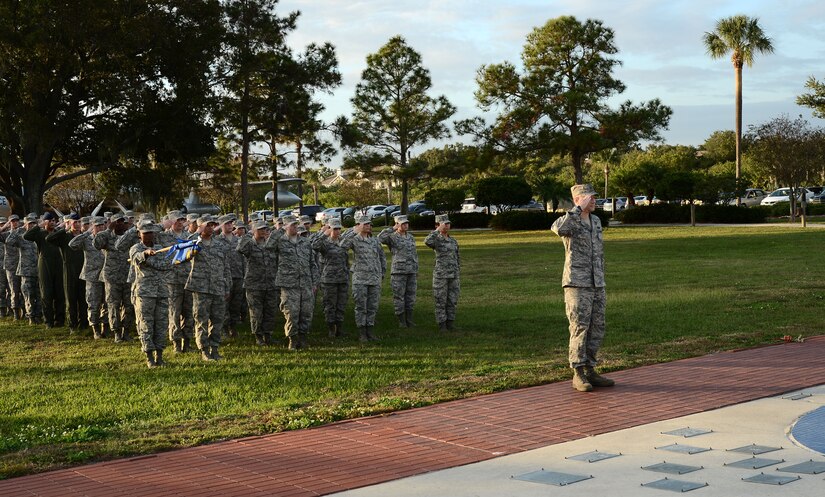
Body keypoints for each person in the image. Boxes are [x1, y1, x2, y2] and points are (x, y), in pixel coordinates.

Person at [550, 183, 614, 392]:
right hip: (577, 283)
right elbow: (558, 229)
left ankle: (591, 369)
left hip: (597, 282)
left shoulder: (595, 221)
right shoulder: (571, 220)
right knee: (579, 327)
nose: (594, 200)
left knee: (597, 326)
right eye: (590, 197)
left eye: (594, 197)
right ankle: (577, 372)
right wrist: (577, 210)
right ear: (578, 199)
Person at [265, 215, 318, 350]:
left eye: (296, 224)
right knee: (291, 313)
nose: (296, 227)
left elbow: (312, 263)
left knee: (306, 313)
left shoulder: (305, 242)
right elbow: (268, 247)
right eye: (292, 225)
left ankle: (303, 338)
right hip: (289, 284)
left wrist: (315, 282)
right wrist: (279, 230)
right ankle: (292, 339)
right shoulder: (280, 241)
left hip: (305, 282)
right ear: (286, 227)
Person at [185, 215, 232, 361]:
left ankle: (215, 348)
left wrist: (227, 286)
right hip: (201, 288)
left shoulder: (219, 245)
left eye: (212, 225)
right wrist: (198, 232)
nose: (211, 228)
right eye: (208, 225)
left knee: (217, 320)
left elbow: (226, 267)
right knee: (201, 320)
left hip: (218, 287)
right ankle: (204, 350)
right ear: (200, 227)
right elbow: (184, 251)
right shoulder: (194, 243)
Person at [129, 221, 173, 368]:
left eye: (151, 232)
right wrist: (146, 254)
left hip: (161, 291)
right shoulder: (136, 248)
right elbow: (136, 258)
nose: (149, 235)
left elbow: (166, 265)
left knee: (161, 324)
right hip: (144, 293)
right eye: (145, 233)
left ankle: (159, 355)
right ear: (139, 234)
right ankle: (149, 357)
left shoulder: (160, 248)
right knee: (145, 324)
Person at [339, 214, 386, 342]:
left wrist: (382, 272)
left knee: (372, 306)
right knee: (361, 306)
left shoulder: (374, 240)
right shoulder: (354, 240)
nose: (368, 226)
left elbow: (381, 257)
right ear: (358, 226)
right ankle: (362, 333)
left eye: (369, 224)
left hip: (374, 278)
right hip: (360, 278)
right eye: (365, 224)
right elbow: (342, 246)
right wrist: (352, 232)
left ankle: (370, 330)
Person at [94, 213, 134, 342]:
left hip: (128, 276)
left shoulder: (129, 237)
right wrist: (108, 229)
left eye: (122, 222)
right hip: (112, 277)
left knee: (129, 305)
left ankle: (126, 331)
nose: (120, 224)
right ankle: (116, 332)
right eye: (117, 222)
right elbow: (96, 244)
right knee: (113, 306)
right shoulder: (107, 237)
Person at [158, 211, 194, 353]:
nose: (180, 222)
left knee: (188, 313)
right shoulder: (164, 237)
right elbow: (147, 233)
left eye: (182, 220)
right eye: (177, 220)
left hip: (188, 279)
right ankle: (176, 343)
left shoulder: (188, 237)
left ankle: (187, 341)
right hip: (172, 280)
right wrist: (163, 225)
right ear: (172, 221)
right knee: (174, 313)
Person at [237, 220, 278, 345]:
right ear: (254, 231)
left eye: (265, 229)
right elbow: (240, 248)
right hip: (254, 284)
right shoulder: (249, 244)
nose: (264, 231)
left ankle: (268, 334)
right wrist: (249, 234)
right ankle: (258, 335)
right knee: (256, 312)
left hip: (270, 283)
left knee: (270, 311)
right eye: (260, 229)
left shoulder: (270, 244)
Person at [46, 214, 88, 333]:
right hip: (69, 271)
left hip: (84, 270)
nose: (77, 224)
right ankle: (72, 325)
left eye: (79, 222)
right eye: (74, 222)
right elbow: (49, 239)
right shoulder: (65, 236)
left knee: (83, 298)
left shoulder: (84, 236)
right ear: (69, 223)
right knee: (71, 299)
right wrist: (65, 228)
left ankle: (84, 323)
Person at [24, 212, 65, 328]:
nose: (52, 223)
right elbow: (26, 236)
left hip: (58, 264)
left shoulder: (58, 233)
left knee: (59, 294)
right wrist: (40, 225)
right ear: (45, 221)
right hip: (45, 264)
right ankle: (48, 321)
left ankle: (60, 320)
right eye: (50, 220)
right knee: (46, 294)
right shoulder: (40, 233)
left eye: (53, 221)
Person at [378, 214, 419, 328]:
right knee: (399, 296)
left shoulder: (410, 237)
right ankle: (401, 320)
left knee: (410, 296)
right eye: (403, 223)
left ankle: (409, 319)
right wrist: (392, 229)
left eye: (406, 223)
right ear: (397, 224)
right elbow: (380, 239)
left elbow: (414, 254)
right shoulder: (392, 237)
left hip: (411, 270)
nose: (406, 225)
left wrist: (416, 269)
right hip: (398, 271)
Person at [69, 216, 107, 338]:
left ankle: (105, 327)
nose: (100, 228)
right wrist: (86, 233)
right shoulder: (86, 239)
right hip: (92, 276)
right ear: (92, 227)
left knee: (106, 303)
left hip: (106, 275)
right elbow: (72, 244)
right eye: (97, 226)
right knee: (93, 303)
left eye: (102, 225)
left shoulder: (106, 238)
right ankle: (95, 328)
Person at [311, 217, 350, 338]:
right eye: (335, 229)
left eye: (339, 228)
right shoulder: (325, 243)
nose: (338, 231)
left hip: (342, 278)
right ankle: (331, 328)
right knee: (330, 305)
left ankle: (339, 328)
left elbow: (346, 260)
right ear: (329, 229)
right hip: (329, 279)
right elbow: (314, 246)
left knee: (341, 304)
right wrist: (324, 234)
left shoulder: (343, 241)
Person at [424, 215, 460, 331]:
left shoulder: (453, 240)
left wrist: (457, 270)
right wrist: (436, 231)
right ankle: (442, 324)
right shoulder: (436, 239)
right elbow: (427, 241)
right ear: (437, 225)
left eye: (448, 223)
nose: (447, 225)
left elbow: (457, 257)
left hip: (453, 275)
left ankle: (450, 323)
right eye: (444, 223)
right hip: (441, 275)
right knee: (441, 300)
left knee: (452, 300)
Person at [7, 214, 42, 324]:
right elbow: (9, 241)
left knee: (39, 295)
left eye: (33, 223)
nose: (32, 225)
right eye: (29, 223)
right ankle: (31, 316)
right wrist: (19, 229)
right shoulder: (21, 236)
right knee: (28, 295)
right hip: (26, 271)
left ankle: (38, 315)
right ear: (25, 224)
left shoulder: (38, 235)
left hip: (39, 270)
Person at [215, 214, 244, 337]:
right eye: (226, 223)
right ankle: (224, 327)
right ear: (221, 225)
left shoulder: (238, 240)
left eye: (231, 223)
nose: (229, 226)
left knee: (236, 303)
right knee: (223, 303)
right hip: (224, 277)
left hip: (238, 276)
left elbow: (243, 259)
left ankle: (233, 326)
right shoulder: (217, 241)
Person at [0, 215, 24, 320]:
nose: (14, 223)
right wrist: (5, 225)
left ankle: (24, 310)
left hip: (23, 264)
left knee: (23, 289)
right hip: (11, 265)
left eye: (16, 221)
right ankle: (15, 312)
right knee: (13, 290)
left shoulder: (23, 233)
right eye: (12, 221)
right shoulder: (6, 235)